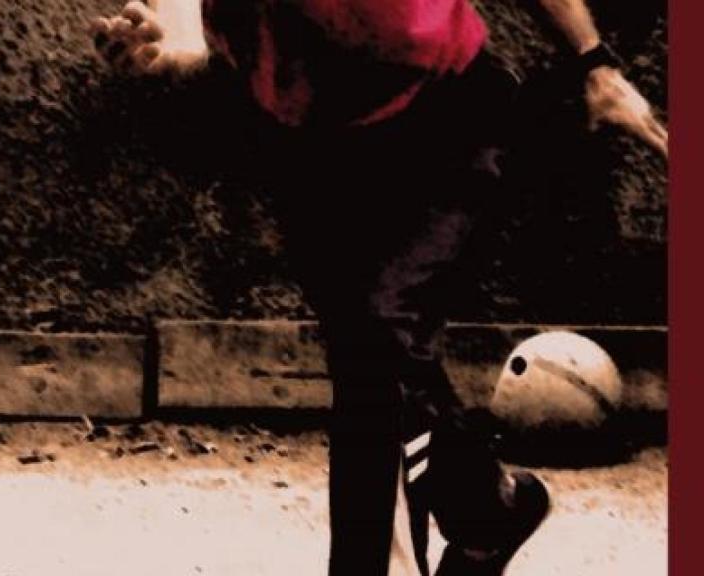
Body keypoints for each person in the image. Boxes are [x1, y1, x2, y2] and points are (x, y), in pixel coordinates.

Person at [91, 1, 667, 575]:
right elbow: (189, 45)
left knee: (376, 341)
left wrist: (595, 63)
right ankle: (489, 515)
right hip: (312, 150)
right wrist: (159, 55)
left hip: (446, 123)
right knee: (379, 356)